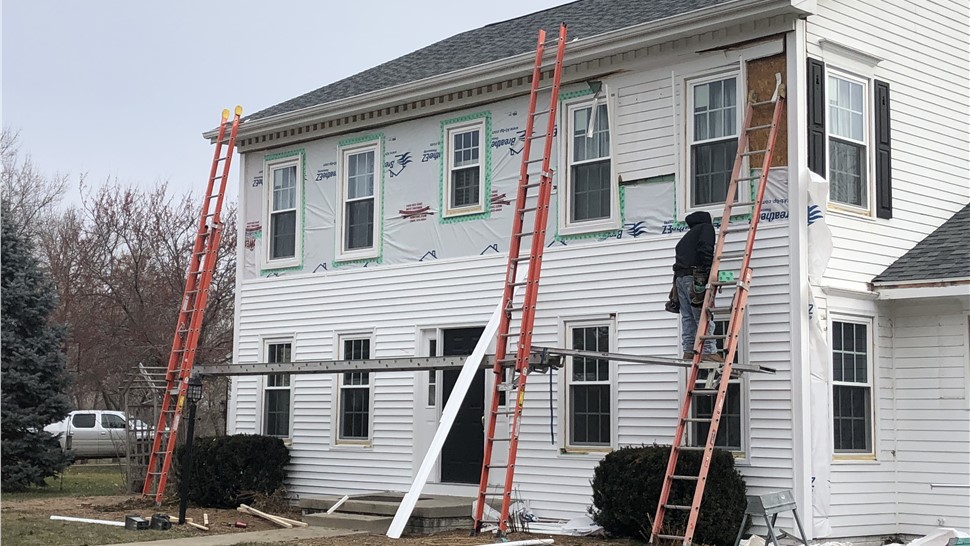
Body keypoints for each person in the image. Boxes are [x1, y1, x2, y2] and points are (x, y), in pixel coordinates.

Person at [673, 211, 723, 362]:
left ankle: (689, 351)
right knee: (702, 314)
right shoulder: (706, 228)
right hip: (696, 278)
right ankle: (708, 351)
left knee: (687, 316)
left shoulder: (686, 238)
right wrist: (709, 272)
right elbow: (705, 249)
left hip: (680, 279)